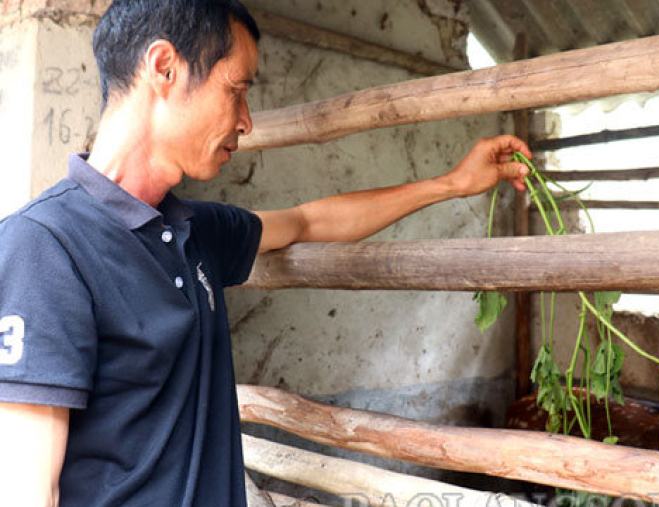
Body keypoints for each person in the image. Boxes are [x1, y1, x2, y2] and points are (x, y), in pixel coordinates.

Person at [0, 1, 531, 506]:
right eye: (236, 89)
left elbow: (310, 220)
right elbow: (28, 492)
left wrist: (453, 183)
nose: (246, 120)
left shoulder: (193, 230)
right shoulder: (45, 247)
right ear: (164, 68)